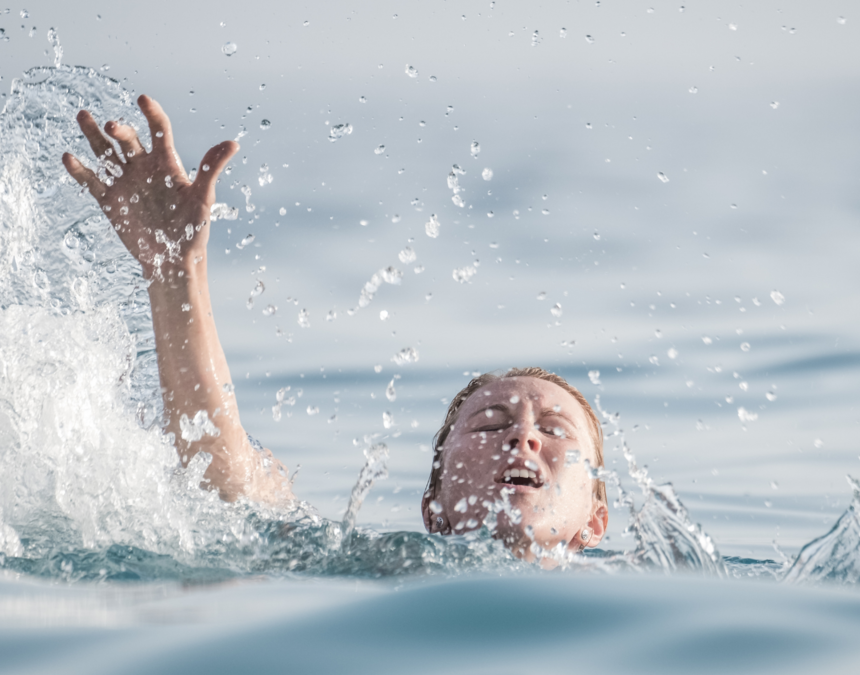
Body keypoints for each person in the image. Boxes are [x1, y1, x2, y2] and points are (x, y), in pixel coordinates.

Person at [62, 95, 608, 563]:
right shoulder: (385, 569)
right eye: (489, 426)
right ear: (434, 509)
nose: (523, 436)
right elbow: (229, 488)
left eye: (556, 431)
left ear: (595, 522)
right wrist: (175, 272)